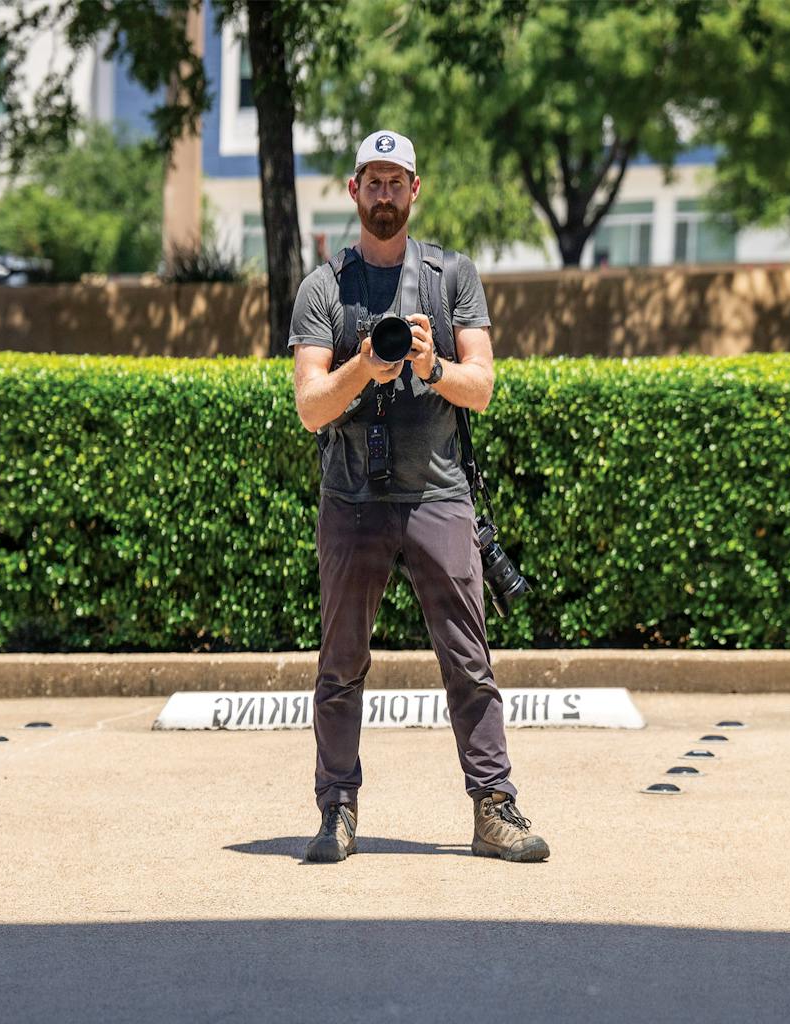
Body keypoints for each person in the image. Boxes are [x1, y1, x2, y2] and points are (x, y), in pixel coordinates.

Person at [288, 129, 549, 864]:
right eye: (371, 180)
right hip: (352, 500)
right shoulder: (324, 287)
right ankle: (336, 811)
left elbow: (484, 387)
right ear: (353, 191)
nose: (383, 193)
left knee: (470, 661)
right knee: (340, 665)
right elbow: (311, 406)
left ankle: (494, 810)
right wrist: (364, 367)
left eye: (394, 181)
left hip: (439, 496)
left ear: (414, 190)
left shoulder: (451, 276)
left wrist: (432, 367)